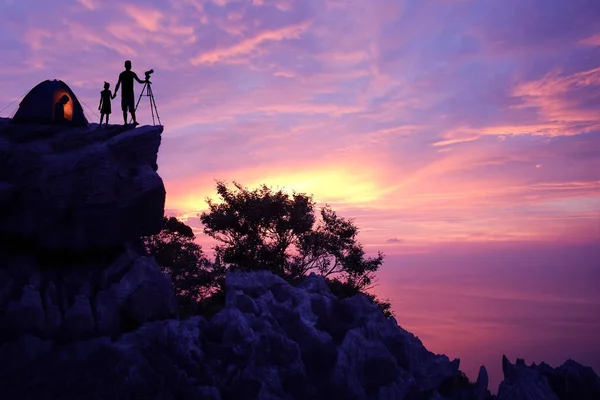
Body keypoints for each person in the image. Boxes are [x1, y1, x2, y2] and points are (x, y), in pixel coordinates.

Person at [113, 60, 146, 126]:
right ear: (125, 66)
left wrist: (145, 81)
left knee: (131, 109)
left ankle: (134, 121)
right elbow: (118, 84)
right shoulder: (122, 74)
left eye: (130, 65)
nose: (129, 66)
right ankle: (125, 123)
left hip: (130, 94)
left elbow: (139, 81)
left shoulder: (132, 74)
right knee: (125, 109)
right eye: (128, 65)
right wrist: (115, 92)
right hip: (125, 94)